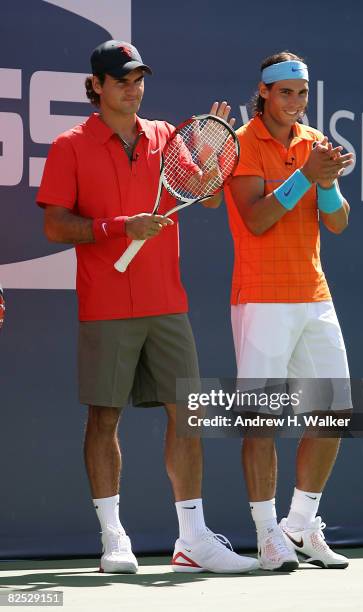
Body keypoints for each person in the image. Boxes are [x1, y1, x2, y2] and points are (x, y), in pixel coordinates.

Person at [37, 39, 258, 575]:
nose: (133, 89)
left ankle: (192, 539)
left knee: (188, 415)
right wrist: (116, 228)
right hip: (106, 303)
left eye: (139, 80)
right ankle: (113, 536)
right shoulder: (70, 145)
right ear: (97, 86)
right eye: (122, 81)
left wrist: (206, 158)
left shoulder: (164, 136)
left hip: (166, 302)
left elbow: (203, 194)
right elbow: (55, 224)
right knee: (103, 418)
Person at [224, 51, 354, 571]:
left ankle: (299, 525)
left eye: (301, 94)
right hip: (260, 298)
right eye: (285, 93)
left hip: (314, 296)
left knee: (335, 413)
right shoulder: (240, 144)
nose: (295, 104)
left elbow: (339, 222)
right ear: (264, 93)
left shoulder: (314, 142)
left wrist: (325, 183)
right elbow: (255, 219)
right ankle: (266, 534)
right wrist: (306, 175)